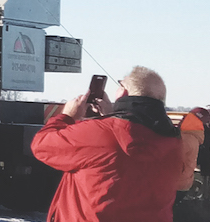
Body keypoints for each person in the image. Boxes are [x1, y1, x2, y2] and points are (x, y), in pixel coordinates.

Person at [31, 66, 184, 222]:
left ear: (124, 92)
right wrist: (112, 117)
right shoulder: (174, 143)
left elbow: (42, 145)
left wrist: (67, 116)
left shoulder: (98, 134)